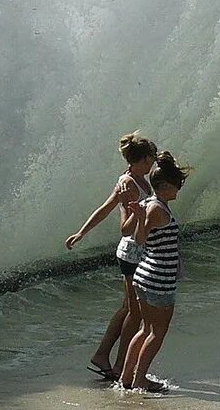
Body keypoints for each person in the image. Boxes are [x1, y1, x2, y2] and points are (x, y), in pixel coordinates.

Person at [65, 132, 157, 379]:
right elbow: (124, 225)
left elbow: (104, 208)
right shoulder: (129, 184)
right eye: (152, 159)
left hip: (139, 252)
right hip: (132, 253)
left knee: (129, 308)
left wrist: (81, 233)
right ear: (144, 159)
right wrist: (81, 234)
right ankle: (119, 366)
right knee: (135, 312)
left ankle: (103, 355)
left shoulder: (138, 179)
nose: (154, 164)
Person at [119, 150, 190, 392]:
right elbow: (138, 238)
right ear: (164, 185)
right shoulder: (157, 208)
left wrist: (136, 216)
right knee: (157, 333)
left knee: (146, 329)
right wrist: (141, 220)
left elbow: (125, 231)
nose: (178, 191)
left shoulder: (147, 202)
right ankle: (140, 380)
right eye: (176, 186)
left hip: (144, 275)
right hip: (158, 279)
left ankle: (127, 378)